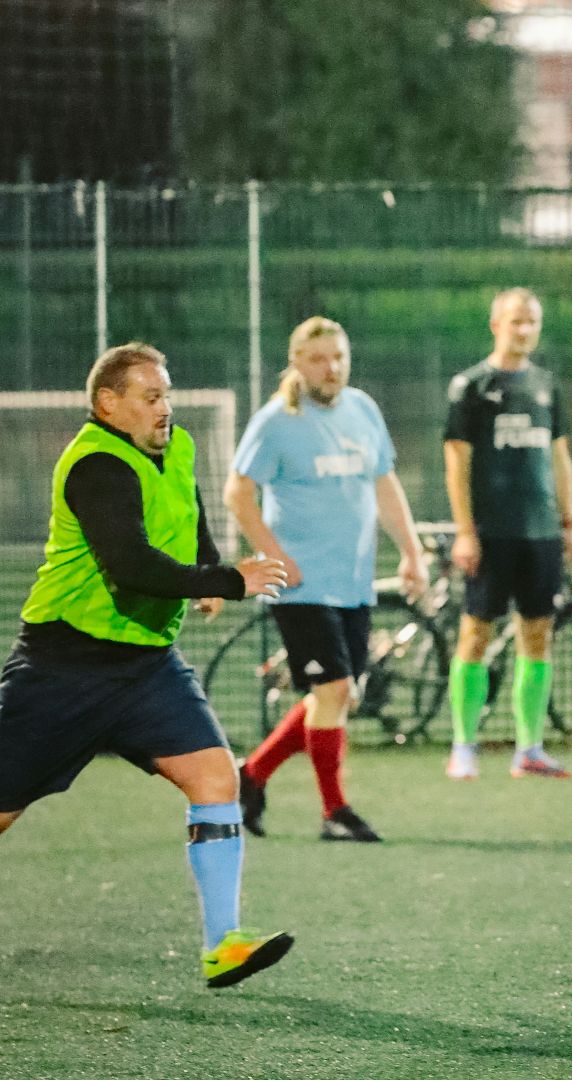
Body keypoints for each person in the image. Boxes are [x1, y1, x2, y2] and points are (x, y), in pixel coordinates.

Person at [0, 342, 295, 988]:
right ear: (109, 404)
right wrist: (227, 578)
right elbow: (129, 564)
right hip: (63, 668)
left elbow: (186, 514)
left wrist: (209, 571)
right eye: (151, 397)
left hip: (146, 667)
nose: (166, 408)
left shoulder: (175, 445)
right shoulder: (95, 466)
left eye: (167, 395)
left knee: (218, 779)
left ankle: (223, 946)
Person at [226, 317, 428, 842]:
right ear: (296, 362)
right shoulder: (276, 421)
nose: (331, 367)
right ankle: (334, 812)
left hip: (353, 582)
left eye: (338, 357)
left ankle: (251, 776)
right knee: (335, 688)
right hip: (300, 586)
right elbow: (237, 496)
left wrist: (411, 553)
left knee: (336, 697)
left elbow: (384, 484)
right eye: (318, 358)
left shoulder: (363, 409)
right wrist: (275, 557)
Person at [443, 287, 572, 780]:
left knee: (538, 634)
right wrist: (465, 531)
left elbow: (560, 458)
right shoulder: (470, 386)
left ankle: (530, 749)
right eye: (516, 321)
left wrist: (569, 525)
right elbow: (456, 463)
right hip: (490, 534)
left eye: (532, 322)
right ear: (496, 325)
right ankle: (463, 744)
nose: (524, 330)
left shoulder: (547, 385)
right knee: (476, 634)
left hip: (540, 535)